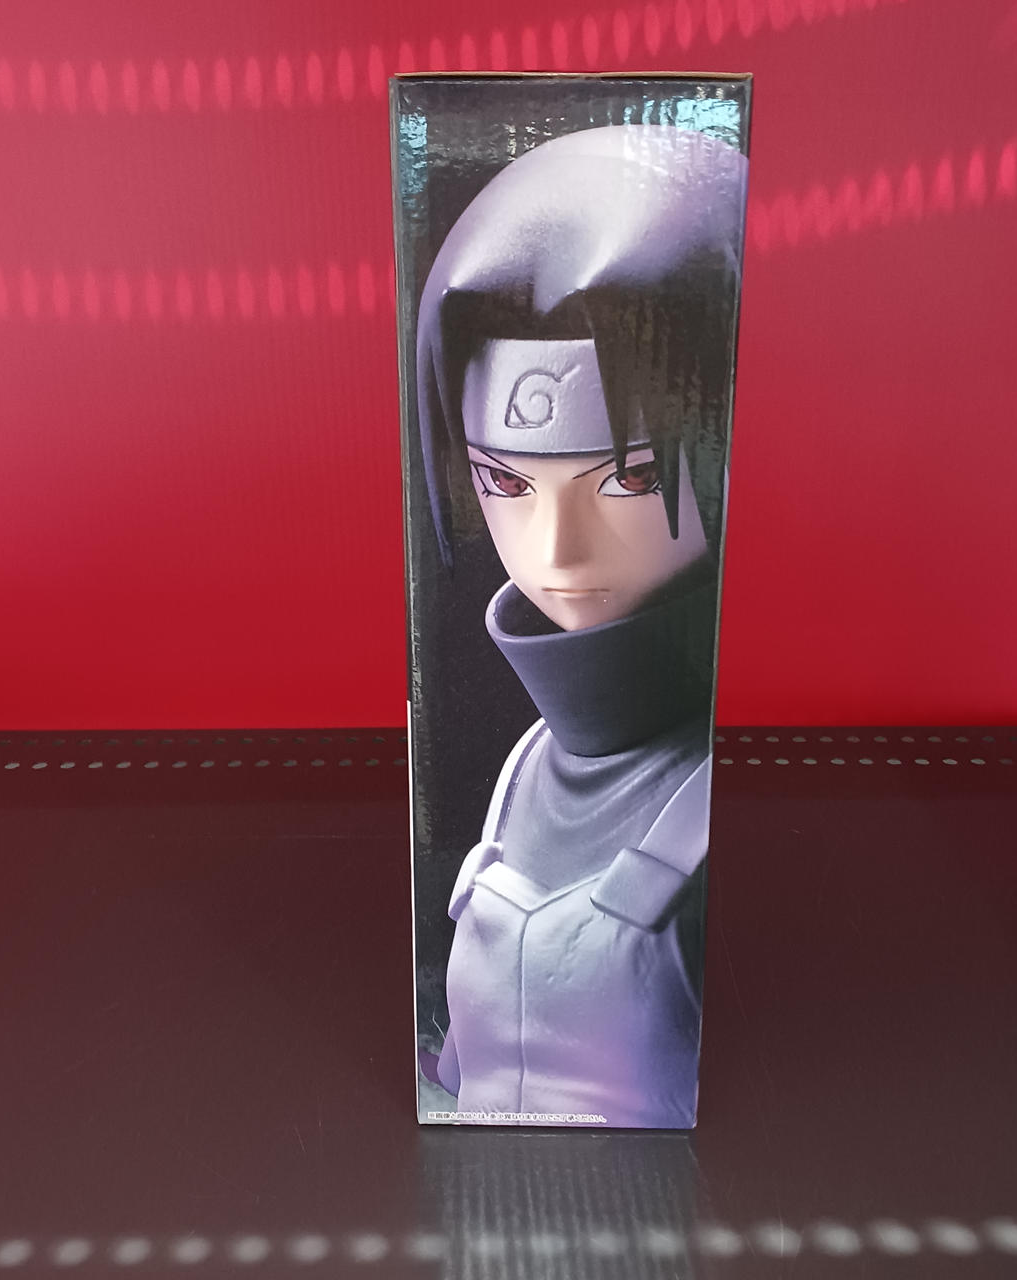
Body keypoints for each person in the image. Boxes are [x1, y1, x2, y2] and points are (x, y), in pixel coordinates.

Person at [415, 123, 746, 1127]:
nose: (557, 550)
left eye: (630, 478)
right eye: (504, 482)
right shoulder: (525, 766)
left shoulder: (738, 792)